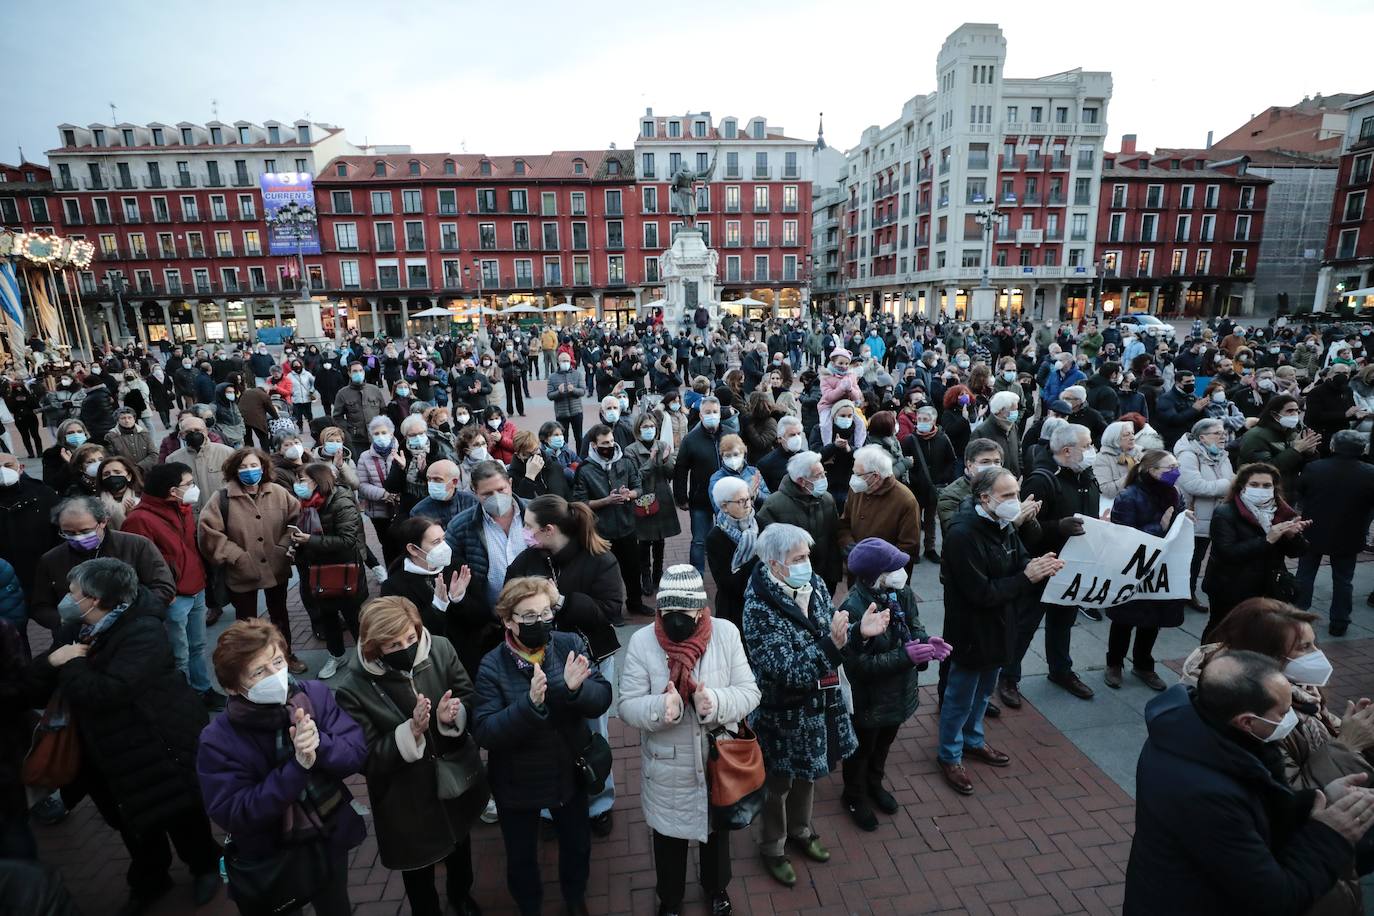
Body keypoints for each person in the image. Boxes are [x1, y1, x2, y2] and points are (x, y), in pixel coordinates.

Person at [31, 558, 221, 916]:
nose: (67, 600)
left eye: (73, 593)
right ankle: (151, 877)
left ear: (96, 598)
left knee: (181, 810)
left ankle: (205, 865)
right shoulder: (74, 626)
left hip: (159, 740)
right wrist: (52, 663)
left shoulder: (144, 630)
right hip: (106, 749)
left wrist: (70, 663)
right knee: (131, 819)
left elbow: (109, 691)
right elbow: (47, 668)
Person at [1123, 650, 1368, 916]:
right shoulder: (1206, 796)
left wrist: (1315, 799)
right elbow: (1275, 898)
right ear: (1247, 721)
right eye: (1283, 712)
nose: (1291, 718)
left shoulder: (1192, 731)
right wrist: (1329, 836)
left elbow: (1256, 806)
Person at [196, 618, 368, 916]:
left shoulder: (314, 695)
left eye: (278, 661)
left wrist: (321, 744)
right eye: (259, 671)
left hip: (326, 835)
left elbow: (355, 752)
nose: (276, 676)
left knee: (335, 905)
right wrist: (297, 768)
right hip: (270, 852)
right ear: (233, 686)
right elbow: (234, 811)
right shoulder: (218, 739)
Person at [618, 565, 760, 916]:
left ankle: (716, 888)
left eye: (684, 613)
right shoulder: (642, 641)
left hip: (717, 760)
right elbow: (626, 706)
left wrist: (717, 703)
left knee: (716, 835)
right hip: (667, 766)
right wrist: (658, 708)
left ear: (700, 610)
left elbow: (750, 692)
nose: (674, 620)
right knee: (667, 841)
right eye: (667, 612)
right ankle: (670, 898)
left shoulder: (726, 634)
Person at [332, 597, 488, 916]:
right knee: (417, 871)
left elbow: (468, 695)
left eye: (410, 638)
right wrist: (411, 733)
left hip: (452, 779)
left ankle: (460, 896)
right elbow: (367, 759)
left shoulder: (441, 649)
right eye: (393, 644)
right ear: (374, 645)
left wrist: (451, 716)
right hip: (404, 798)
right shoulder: (352, 689)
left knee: (460, 846)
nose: (405, 647)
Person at [471, 576, 613, 916]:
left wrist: (578, 690)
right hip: (517, 783)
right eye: (529, 616)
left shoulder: (567, 643)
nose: (540, 622)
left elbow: (602, 696)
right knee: (521, 856)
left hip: (568, 774)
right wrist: (530, 705)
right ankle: (529, 906)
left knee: (577, 846)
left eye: (546, 613)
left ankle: (575, 898)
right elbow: (486, 731)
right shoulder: (492, 664)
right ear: (508, 620)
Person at [742, 523, 858, 887]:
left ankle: (801, 830)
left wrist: (859, 633)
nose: (807, 563)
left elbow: (833, 633)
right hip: (782, 713)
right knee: (778, 785)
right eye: (799, 558)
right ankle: (773, 847)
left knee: (808, 774)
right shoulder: (758, 607)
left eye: (807, 555)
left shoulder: (816, 586)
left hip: (819, 705)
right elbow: (787, 670)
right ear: (775, 565)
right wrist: (831, 647)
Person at [939, 469, 1062, 796]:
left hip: (1000, 627)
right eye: (1007, 496)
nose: (1014, 502)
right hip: (971, 631)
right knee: (959, 695)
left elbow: (1021, 562)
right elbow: (981, 593)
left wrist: (1036, 567)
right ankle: (950, 754)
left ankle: (974, 740)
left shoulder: (1003, 526)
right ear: (984, 498)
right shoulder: (962, 535)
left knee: (983, 692)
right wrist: (1027, 577)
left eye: (1015, 494)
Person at [838, 538, 947, 829]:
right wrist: (905, 655)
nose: (903, 571)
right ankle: (854, 795)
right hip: (870, 700)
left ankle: (874, 784)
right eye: (895, 567)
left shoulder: (902, 592)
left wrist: (925, 643)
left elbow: (915, 625)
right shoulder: (854, 607)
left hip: (898, 692)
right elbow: (857, 666)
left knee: (883, 745)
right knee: (861, 750)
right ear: (875, 574)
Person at [1007, 423, 1099, 706]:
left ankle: (1061, 670)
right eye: (1088, 445)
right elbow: (1023, 529)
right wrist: (1058, 527)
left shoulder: (1086, 475)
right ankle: (1008, 677)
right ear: (1068, 450)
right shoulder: (1043, 479)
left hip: (1073, 564)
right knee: (1025, 624)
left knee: (1063, 621)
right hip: (1042, 564)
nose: (1092, 450)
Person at [197, 446, 306, 674]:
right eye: (243, 467)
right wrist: (237, 556)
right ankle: (253, 662)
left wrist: (283, 546)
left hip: (276, 567)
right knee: (247, 622)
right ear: (234, 470)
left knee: (280, 615)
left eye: (254, 465)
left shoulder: (277, 491)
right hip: (241, 572)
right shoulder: (221, 498)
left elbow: (296, 520)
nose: (249, 471)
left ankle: (285, 655)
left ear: (263, 467)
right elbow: (209, 533)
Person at [120, 462, 219, 709]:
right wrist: (164, 593)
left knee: (197, 646)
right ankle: (182, 701)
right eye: (189, 484)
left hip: (196, 588)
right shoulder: (139, 520)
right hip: (173, 596)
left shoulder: (182, 508)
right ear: (173, 490)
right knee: (179, 654)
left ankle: (202, 689)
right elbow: (138, 566)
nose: (194, 488)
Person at [29, 496, 175, 637]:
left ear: (103, 521)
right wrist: (65, 621)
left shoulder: (137, 546)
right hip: (76, 636)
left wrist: (125, 615)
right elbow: (40, 606)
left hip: (132, 631)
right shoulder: (51, 559)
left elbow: (163, 587)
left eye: (85, 531)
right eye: (69, 533)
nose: (78, 537)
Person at [1104, 450, 1187, 691]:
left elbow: (1177, 527)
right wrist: (1159, 528)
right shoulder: (1128, 496)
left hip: (1161, 568)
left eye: (1176, 466)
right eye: (1169, 468)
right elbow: (1124, 537)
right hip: (1132, 568)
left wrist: (1182, 522)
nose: (1176, 472)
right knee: (1123, 620)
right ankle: (1114, 664)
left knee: (1153, 619)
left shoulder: (1175, 493)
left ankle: (1143, 664)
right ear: (1151, 471)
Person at [1202, 463, 1312, 643]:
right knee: (1221, 630)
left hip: (1268, 586)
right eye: (1254, 485)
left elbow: (1296, 552)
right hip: (1230, 587)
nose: (1261, 489)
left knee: (1260, 634)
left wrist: (1293, 536)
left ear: (1274, 487)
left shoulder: (1280, 511)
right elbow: (1227, 553)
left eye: (1266, 485)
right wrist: (1267, 539)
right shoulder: (1225, 513)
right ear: (1242, 486)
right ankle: (1206, 664)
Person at [442, 461, 527, 677]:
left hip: (536, 618)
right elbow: (452, 572)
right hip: (491, 623)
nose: (496, 497)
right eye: (487, 494)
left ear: (510, 483)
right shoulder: (461, 526)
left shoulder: (534, 513)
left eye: (501, 490)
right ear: (474, 493)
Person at [291, 462, 370, 678]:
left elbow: (347, 540)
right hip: (317, 570)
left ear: (317, 481)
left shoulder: (341, 501)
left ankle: (369, 657)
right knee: (328, 616)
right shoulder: (305, 503)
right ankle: (336, 655)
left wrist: (310, 540)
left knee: (354, 617)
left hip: (345, 570)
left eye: (302, 480)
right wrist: (297, 547)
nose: (297, 485)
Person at [1295, 429, 1374, 636]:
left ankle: (1299, 615)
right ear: (1363, 449)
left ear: (1332, 446)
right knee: (1343, 579)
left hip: (1312, 529)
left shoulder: (1314, 468)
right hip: (1350, 532)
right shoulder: (1370, 472)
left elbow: (1300, 492)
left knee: (1305, 574)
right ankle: (1339, 622)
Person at [574, 423, 644, 618]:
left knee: (632, 569)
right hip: (602, 532)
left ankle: (635, 603)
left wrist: (630, 494)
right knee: (607, 576)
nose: (610, 445)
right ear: (594, 445)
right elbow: (580, 502)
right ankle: (613, 612)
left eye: (612, 441)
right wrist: (606, 501)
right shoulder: (585, 469)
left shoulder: (626, 461)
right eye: (605, 442)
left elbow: (639, 486)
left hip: (627, 527)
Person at [756, 450, 842, 592]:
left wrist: (833, 576)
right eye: (818, 476)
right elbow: (768, 551)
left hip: (824, 578)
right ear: (801, 481)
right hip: (791, 581)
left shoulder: (827, 499)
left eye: (823, 474)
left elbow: (833, 539)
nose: (823, 478)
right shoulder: (773, 506)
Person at [1176, 418, 1235, 611]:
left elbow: (1232, 477)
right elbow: (1194, 485)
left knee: (1203, 557)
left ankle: (1189, 592)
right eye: (1217, 433)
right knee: (1191, 559)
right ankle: (1183, 594)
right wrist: (1228, 486)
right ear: (1202, 437)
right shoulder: (1188, 455)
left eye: (1223, 432)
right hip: (1195, 518)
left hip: (1215, 517)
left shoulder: (1222, 455)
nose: (1223, 436)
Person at [625, 409, 681, 596]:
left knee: (660, 541)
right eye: (645, 426)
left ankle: (658, 575)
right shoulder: (631, 450)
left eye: (651, 426)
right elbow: (636, 477)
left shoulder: (663, 445)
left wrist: (665, 460)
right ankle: (646, 577)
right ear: (638, 429)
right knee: (644, 542)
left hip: (662, 498)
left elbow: (671, 474)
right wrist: (651, 460)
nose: (649, 429)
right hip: (643, 499)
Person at [838, 444, 921, 566]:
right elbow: (844, 525)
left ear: (875, 476)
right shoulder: (856, 490)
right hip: (856, 569)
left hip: (886, 576)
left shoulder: (906, 501)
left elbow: (909, 547)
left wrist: (876, 562)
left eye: (858, 474)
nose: (854, 478)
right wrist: (851, 549)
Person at [673, 395, 725, 573]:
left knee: (725, 539)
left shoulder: (730, 435)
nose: (712, 415)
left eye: (715, 412)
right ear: (701, 415)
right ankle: (697, 576)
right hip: (700, 498)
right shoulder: (691, 439)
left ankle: (722, 572)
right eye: (707, 412)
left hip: (726, 500)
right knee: (699, 541)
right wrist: (681, 497)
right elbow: (681, 469)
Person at [0, 451, 61, 600]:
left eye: (8, 465)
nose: (2, 471)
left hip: (40, 571)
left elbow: (59, 529)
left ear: (20, 468)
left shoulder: (44, 494)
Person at [1235, 394, 1321, 499]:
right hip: (1262, 493)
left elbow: (1300, 465)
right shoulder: (1256, 436)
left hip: (1289, 491)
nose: (1295, 414)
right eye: (1289, 411)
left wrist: (1310, 453)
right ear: (1274, 415)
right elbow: (1264, 469)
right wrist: (1296, 450)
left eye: (1297, 411)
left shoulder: (1294, 432)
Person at [705, 476, 759, 631]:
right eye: (741, 501)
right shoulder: (716, 538)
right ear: (724, 506)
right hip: (734, 609)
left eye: (749, 498)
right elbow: (726, 584)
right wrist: (757, 560)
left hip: (762, 605)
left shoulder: (760, 524)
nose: (748, 504)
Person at [357, 415, 403, 571]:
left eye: (384, 432)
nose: (380, 436)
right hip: (379, 511)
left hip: (401, 508)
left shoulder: (401, 452)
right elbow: (362, 485)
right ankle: (392, 574)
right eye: (376, 433)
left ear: (391, 433)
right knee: (387, 545)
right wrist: (384, 494)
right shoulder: (364, 457)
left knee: (404, 543)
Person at [166, 412, 235, 512]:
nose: (194, 434)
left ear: (206, 431)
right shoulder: (172, 460)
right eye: (188, 432)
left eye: (197, 430)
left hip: (223, 512)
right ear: (181, 435)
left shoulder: (227, 453)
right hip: (192, 516)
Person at [332, 361, 387, 454]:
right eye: (355, 371)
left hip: (377, 437)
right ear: (349, 373)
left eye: (361, 370)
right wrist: (349, 429)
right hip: (357, 440)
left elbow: (384, 411)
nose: (358, 373)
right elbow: (337, 417)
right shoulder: (343, 393)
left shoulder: (374, 390)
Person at [512, 423, 576, 500]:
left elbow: (566, 495)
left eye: (535, 450)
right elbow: (521, 503)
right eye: (528, 454)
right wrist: (529, 477)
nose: (534, 457)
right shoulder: (513, 475)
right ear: (518, 455)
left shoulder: (553, 465)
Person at [407, 458, 475, 529]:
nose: (431, 484)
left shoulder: (471, 502)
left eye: (437, 479)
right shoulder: (419, 511)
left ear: (454, 482)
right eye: (429, 479)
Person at [1153, 369, 1210, 452]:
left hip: (1191, 439)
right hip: (1173, 441)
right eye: (1187, 382)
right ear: (1178, 383)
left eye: (1193, 381)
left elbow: (1203, 418)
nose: (1191, 384)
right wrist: (1194, 409)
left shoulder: (1192, 396)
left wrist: (1203, 407)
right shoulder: (1166, 399)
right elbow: (1173, 420)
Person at [756, 414, 806, 493]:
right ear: (780, 438)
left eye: (799, 434)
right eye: (792, 435)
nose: (797, 438)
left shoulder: (806, 457)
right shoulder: (766, 464)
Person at [1092, 419, 1139, 501]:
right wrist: (1131, 473)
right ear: (1114, 438)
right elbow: (1106, 491)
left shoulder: (1140, 453)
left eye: (1133, 433)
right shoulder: (1102, 458)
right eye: (1127, 435)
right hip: (1115, 505)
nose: (1132, 437)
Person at [104, 407, 157, 474]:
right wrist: (127, 469)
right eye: (123, 418)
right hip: (125, 473)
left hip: (146, 473)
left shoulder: (144, 433)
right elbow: (110, 458)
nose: (127, 421)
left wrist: (139, 467)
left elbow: (154, 454)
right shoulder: (111, 436)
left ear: (134, 419)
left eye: (129, 417)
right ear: (117, 420)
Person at [95, 455, 142, 530]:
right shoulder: (95, 503)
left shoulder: (141, 500)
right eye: (106, 474)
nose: (112, 476)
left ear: (129, 476)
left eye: (117, 472)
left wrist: (132, 515)